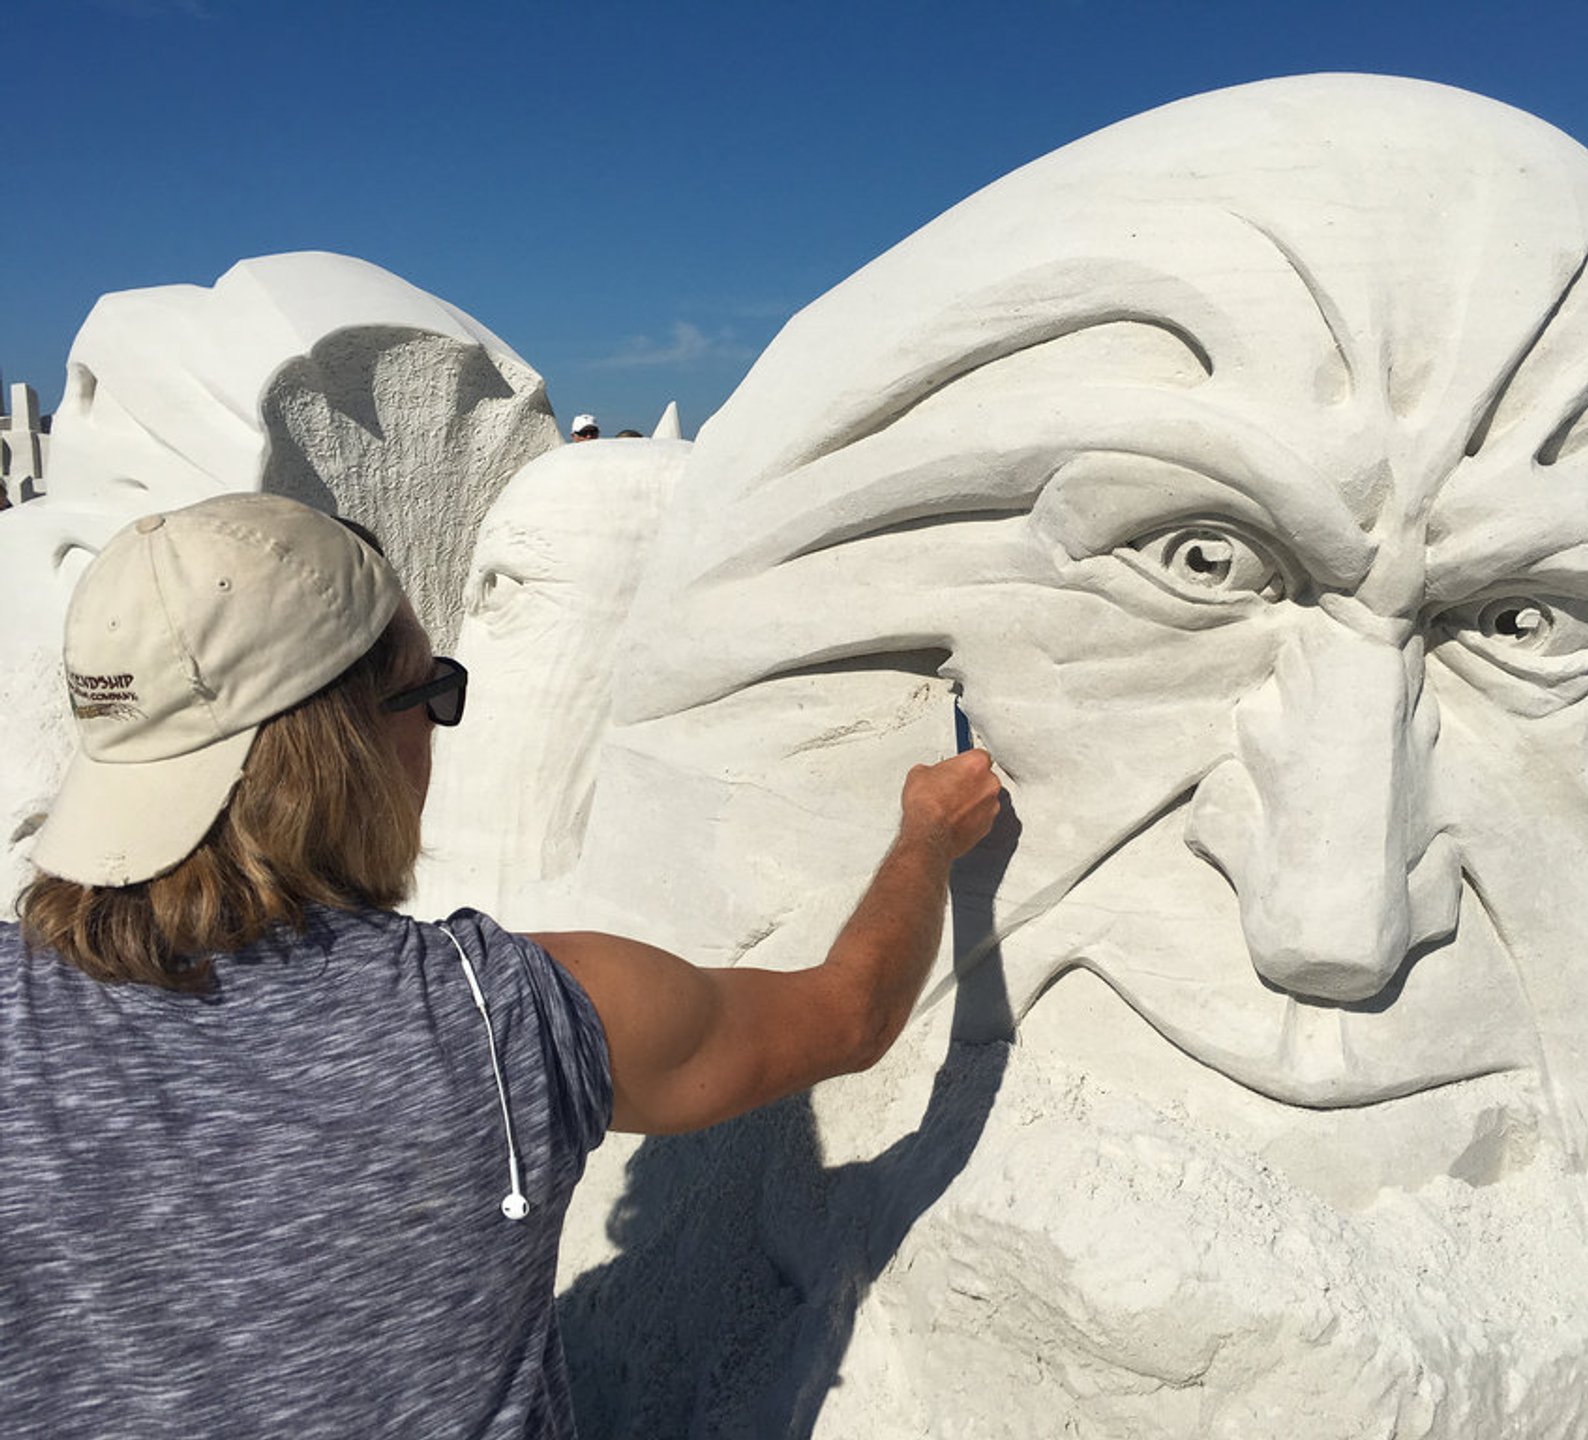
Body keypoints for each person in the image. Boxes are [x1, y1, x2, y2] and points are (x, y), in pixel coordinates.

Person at [0, 492, 1002, 1438]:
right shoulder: (497, 1022)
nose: (437, 742)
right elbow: (851, 1014)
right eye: (433, 693)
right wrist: (927, 835)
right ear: (341, 746)